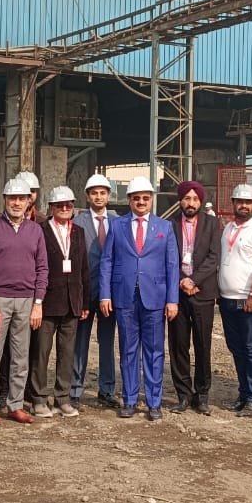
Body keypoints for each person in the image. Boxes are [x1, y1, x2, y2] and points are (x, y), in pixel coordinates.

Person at [99, 176, 179, 420]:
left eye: (145, 198)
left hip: (154, 298)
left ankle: (154, 402)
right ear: (129, 200)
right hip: (125, 297)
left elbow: (172, 265)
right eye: (136, 198)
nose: (141, 202)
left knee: (155, 351)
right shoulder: (117, 226)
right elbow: (107, 261)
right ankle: (130, 400)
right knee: (128, 350)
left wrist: (172, 300)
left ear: (151, 199)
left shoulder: (164, 227)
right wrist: (105, 295)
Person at [0, 179, 48, 426]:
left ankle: (15, 405)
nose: (16, 203)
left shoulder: (35, 231)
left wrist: (38, 302)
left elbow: (42, 268)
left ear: (29, 201)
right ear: (5, 200)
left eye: (21, 199)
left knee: (20, 356)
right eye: (12, 198)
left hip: (26, 300)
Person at [32, 186, 89, 417]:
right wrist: (36, 302)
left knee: (66, 354)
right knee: (41, 353)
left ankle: (62, 398)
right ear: (51, 208)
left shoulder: (79, 232)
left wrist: (85, 302)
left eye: (68, 205)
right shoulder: (40, 230)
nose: (64, 208)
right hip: (47, 302)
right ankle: (38, 398)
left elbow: (84, 269)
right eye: (59, 205)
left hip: (72, 302)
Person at [217, 184, 252, 418]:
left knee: (251, 347)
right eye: (240, 201)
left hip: (249, 300)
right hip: (228, 299)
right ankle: (243, 394)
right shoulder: (229, 228)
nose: (244, 205)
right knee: (236, 348)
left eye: (248, 202)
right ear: (233, 203)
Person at [169, 180, 221, 415]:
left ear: (201, 201)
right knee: (178, 345)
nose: (191, 203)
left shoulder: (212, 224)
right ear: (180, 200)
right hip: (178, 294)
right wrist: (182, 280)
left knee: (202, 344)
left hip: (203, 293)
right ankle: (183, 394)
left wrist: (194, 280)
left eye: (195, 199)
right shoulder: (170, 225)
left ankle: (202, 395)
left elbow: (213, 257)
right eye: (187, 198)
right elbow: (168, 257)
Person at [72, 173, 119, 409]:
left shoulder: (118, 221)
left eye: (102, 193)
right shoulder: (77, 222)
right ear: (88, 196)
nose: (98, 197)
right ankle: (74, 389)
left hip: (109, 292)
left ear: (109, 196)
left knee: (107, 341)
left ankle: (106, 389)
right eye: (94, 193)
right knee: (79, 341)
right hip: (85, 291)